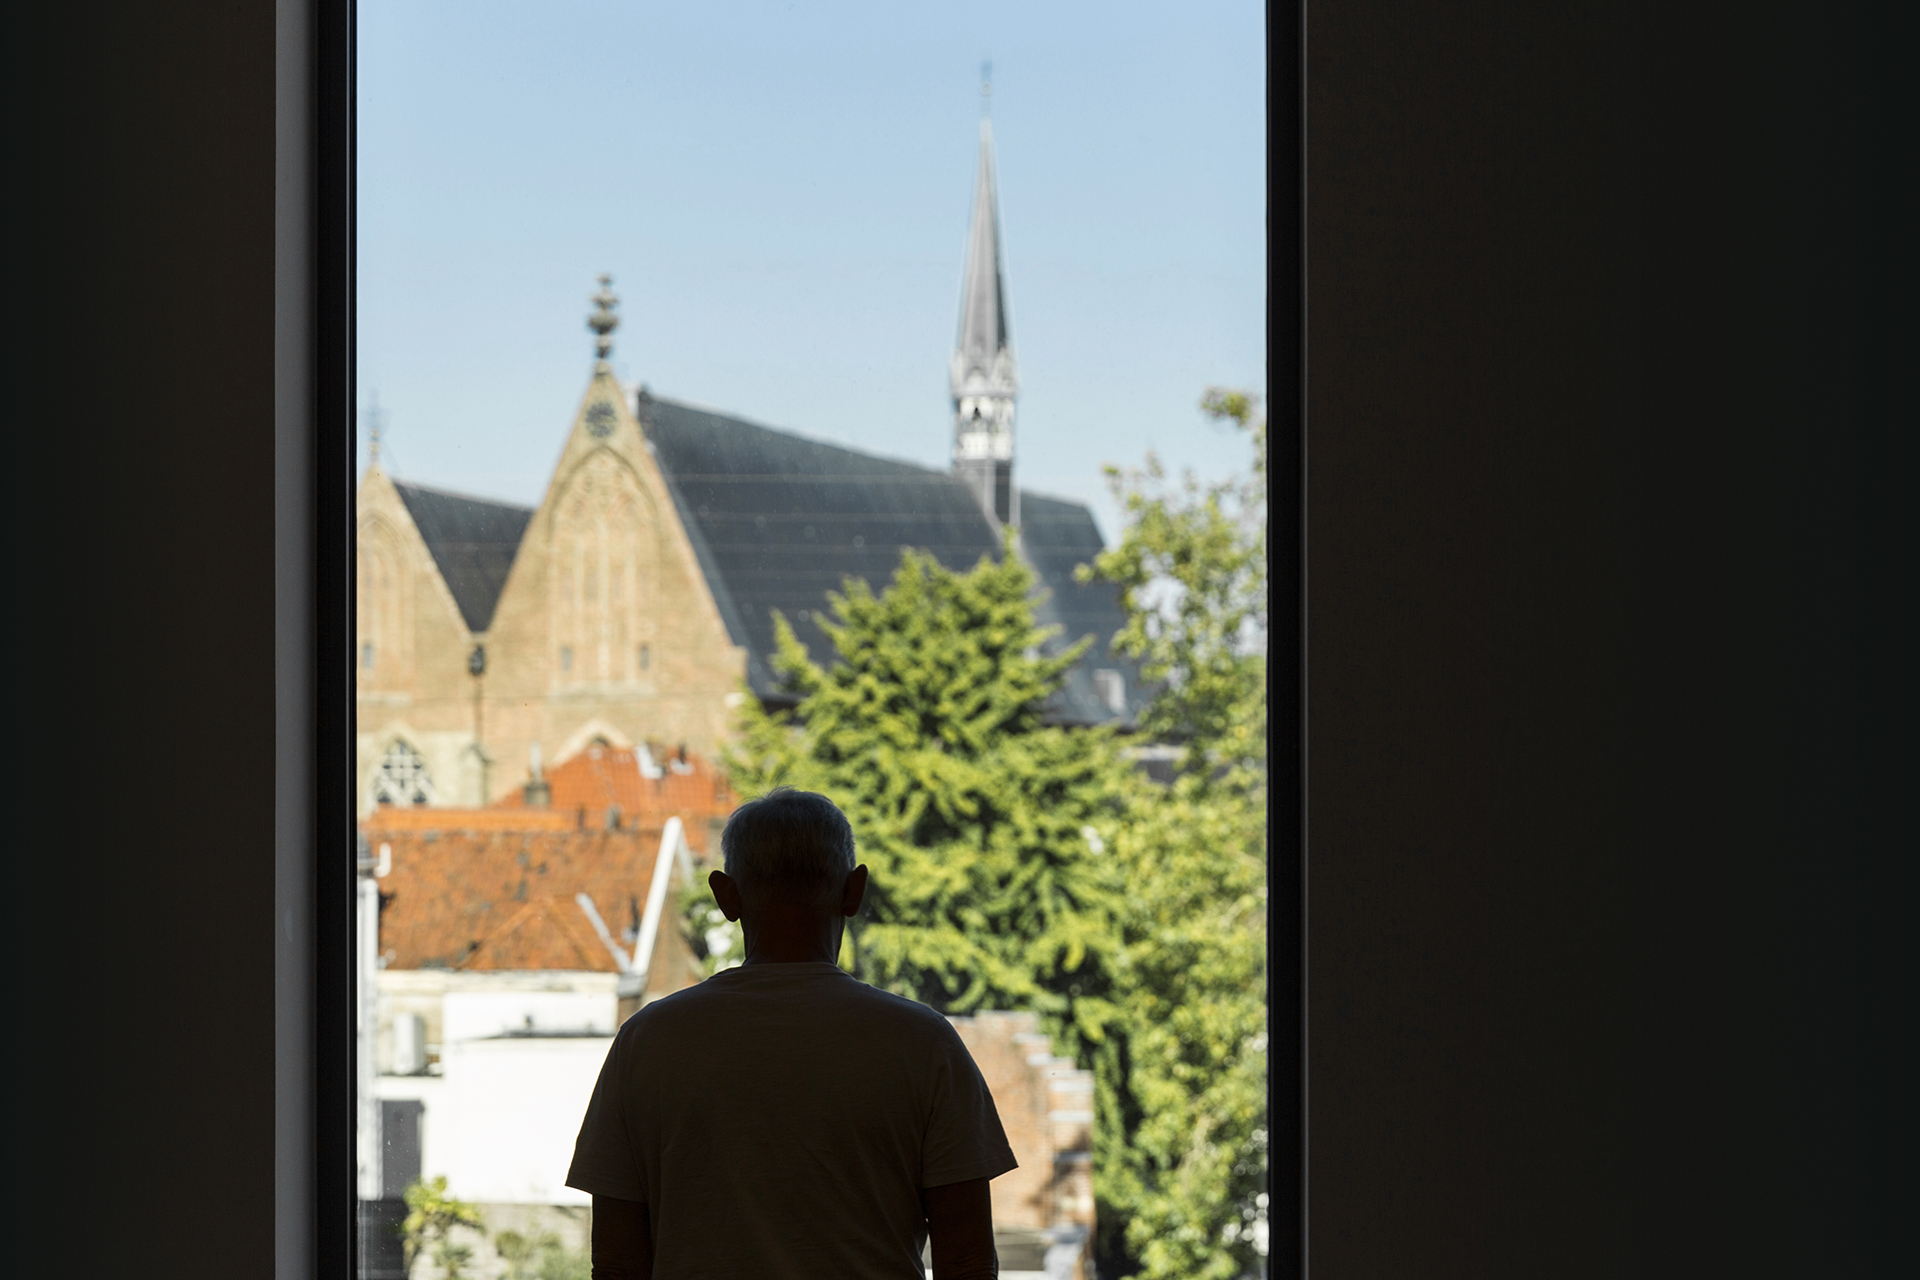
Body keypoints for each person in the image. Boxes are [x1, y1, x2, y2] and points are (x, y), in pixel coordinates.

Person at [566, 787, 1015, 1279]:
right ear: (854, 890)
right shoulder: (924, 1044)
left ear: (725, 895)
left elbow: (615, 1260)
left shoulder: (647, 1043)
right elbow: (969, 1260)